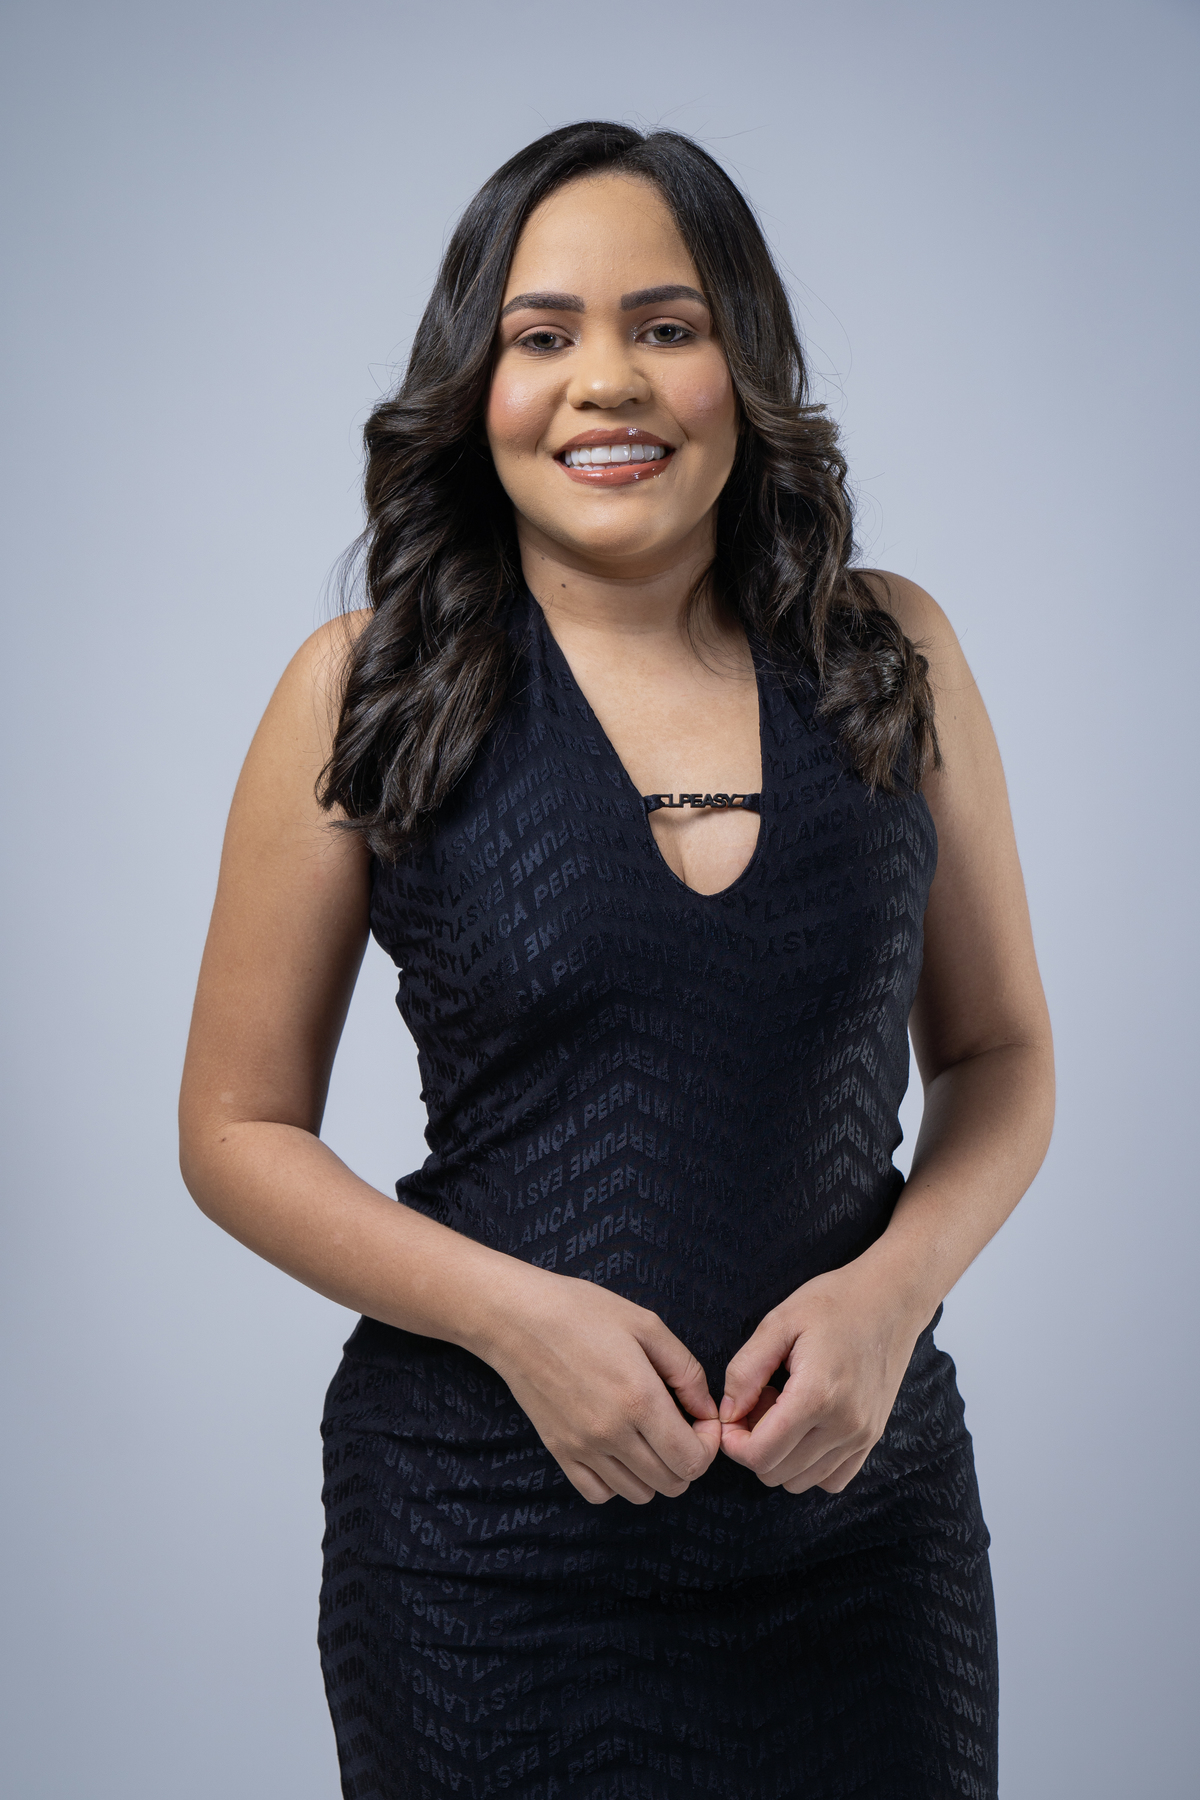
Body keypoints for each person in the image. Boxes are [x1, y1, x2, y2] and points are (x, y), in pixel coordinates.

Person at [179, 121, 1054, 1800]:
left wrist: (892, 1297)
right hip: (485, 1550)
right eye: (543, 335)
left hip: (861, 1537)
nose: (608, 382)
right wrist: (521, 1324)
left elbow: (1002, 1055)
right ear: (478, 385)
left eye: (667, 326)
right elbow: (233, 1130)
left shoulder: (894, 653)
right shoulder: (362, 689)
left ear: (746, 363)